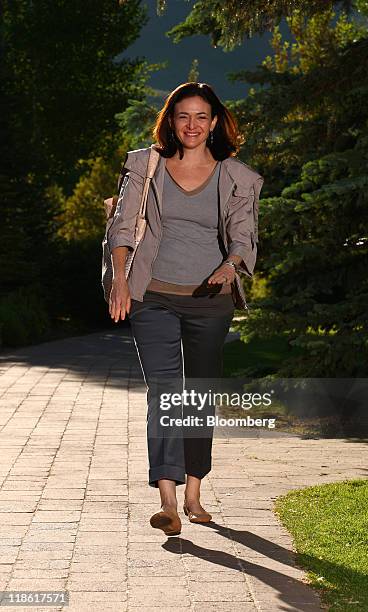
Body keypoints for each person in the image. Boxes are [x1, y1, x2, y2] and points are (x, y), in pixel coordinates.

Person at [107, 82, 264, 536]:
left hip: (208, 301)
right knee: (164, 392)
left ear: (214, 123)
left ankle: (194, 491)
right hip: (152, 296)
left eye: (201, 117)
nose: (192, 125)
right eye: (183, 116)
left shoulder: (236, 177)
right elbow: (122, 226)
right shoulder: (145, 166)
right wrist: (119, 280)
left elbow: (242, 232)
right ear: (170, 121)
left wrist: (231, 265)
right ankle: (169, 502)